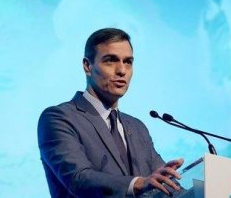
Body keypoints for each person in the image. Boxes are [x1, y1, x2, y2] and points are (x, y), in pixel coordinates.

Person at [38, 28, 184, 197]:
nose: (122, 70)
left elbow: (162, 180)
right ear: (87, 66)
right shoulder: (59, 118)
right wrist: (138, 183)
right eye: (111, 61)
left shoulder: (137, 127)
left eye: (128, 62)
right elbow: (78, 179)